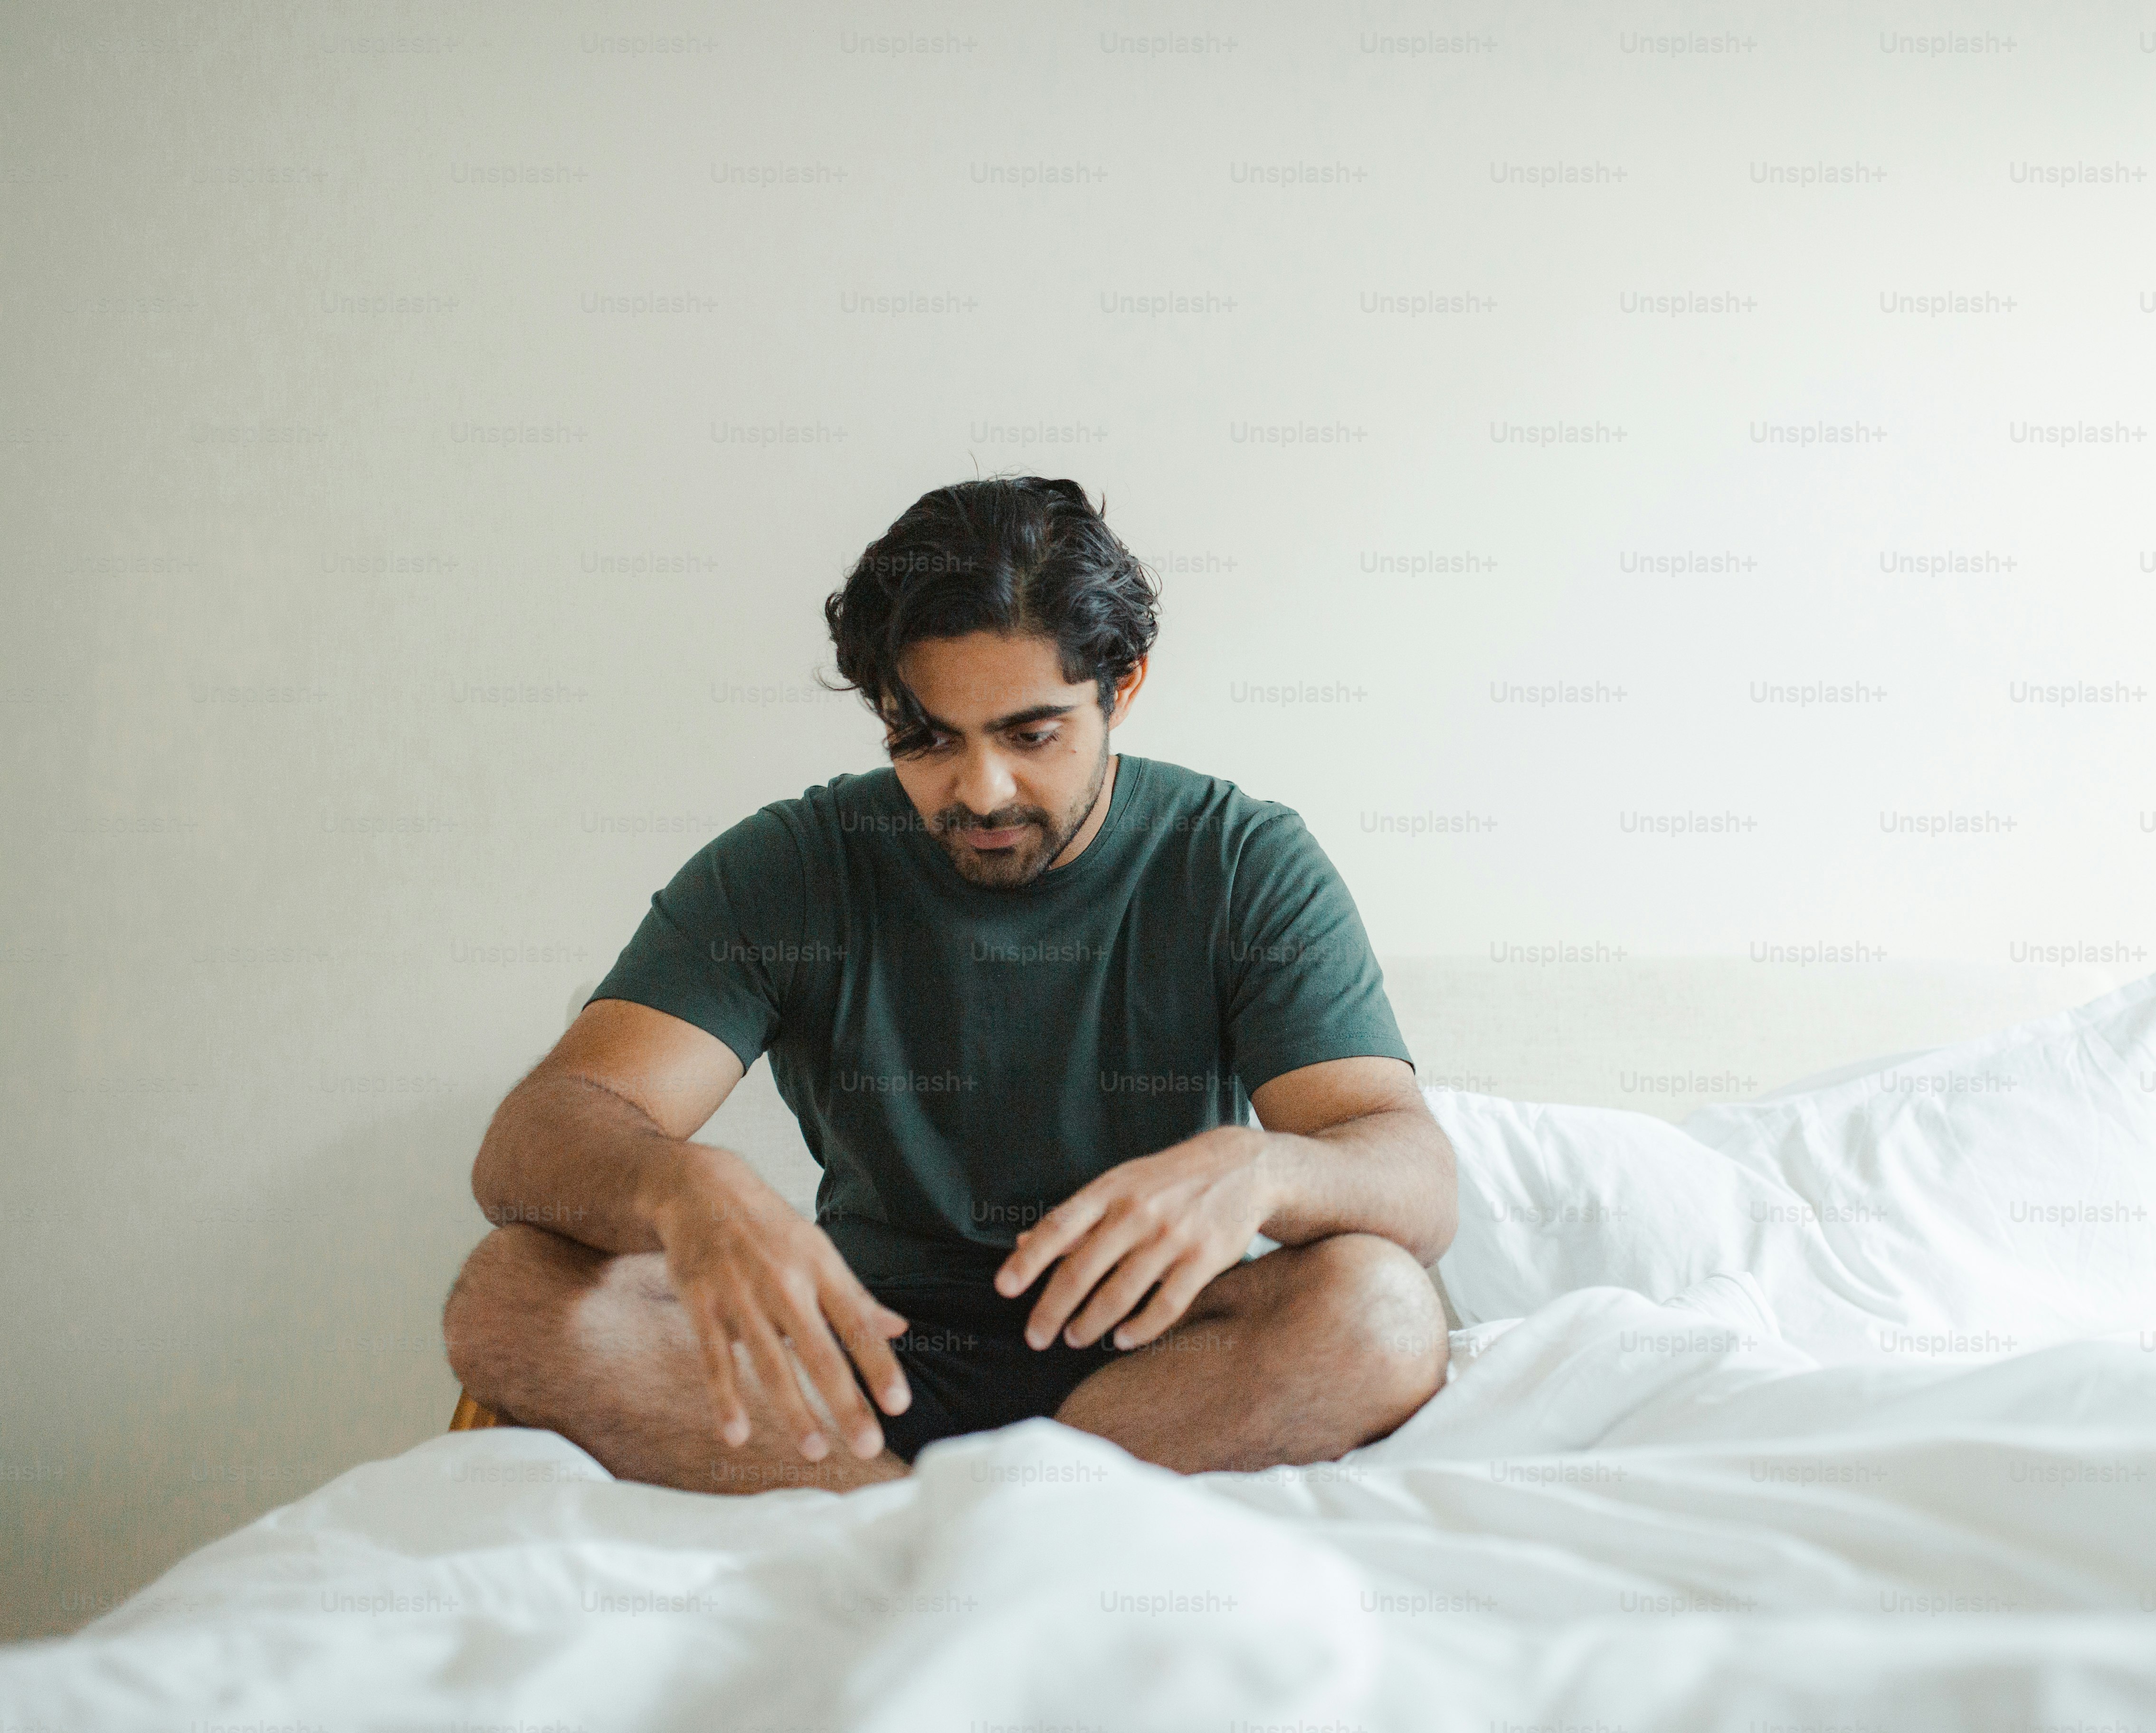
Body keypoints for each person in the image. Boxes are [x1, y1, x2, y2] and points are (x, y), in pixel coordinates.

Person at [441, 475, 1455, 1491]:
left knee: (1384, 1306)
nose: (981, 791)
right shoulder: (793, 864)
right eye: (925, 739)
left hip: (1156, 1363)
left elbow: (1410, 1169)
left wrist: (1268, 1170)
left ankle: (983, 1510)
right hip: (858, 1358)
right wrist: (678, 1186)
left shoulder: (1241, 861)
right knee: (510, 1293)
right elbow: (535, 1138)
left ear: (1123, 688)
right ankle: (906, 1515)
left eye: (1031, 734)